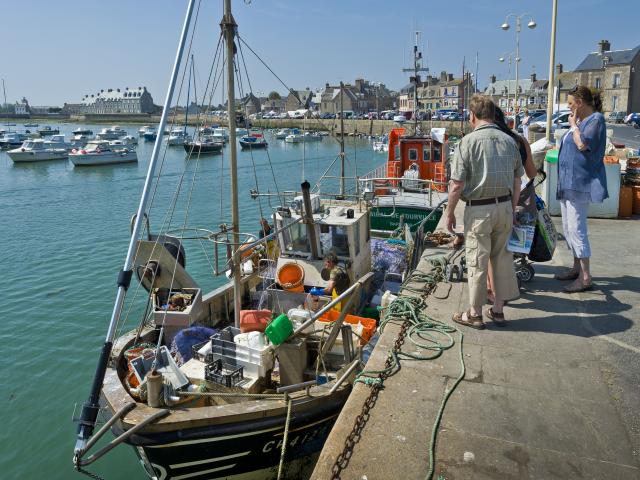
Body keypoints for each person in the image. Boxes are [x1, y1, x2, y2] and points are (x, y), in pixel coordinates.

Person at [446, 94, 523, 329]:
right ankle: (498, 311)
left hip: (479, 210)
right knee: (502, 259)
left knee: (477, 260)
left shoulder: (467, 142)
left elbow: (456, 184)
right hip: (505, 206)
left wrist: (449, 213)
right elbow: (518, 179)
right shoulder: (510, 141)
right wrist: (511, 207)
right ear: (492, 114)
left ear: (473, 116)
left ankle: (475, 314)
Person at [554, 86, 607, 293]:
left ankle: (585, 277)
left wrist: (574, 126)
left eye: (570, 103)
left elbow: (582, 145)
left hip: (580, 183)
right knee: (568, 229)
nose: (568, 107)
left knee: (577, 229)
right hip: (568, 183)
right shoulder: (581, 122)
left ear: (581, 102)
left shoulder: (595, 120)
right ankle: (576, 268)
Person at [486, 106, 537, 303]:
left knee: (494, 250)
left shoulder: (493, 142)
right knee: (513, 247)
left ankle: (494, 291)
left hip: (499, 200)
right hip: (523, 199)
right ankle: (510, 282)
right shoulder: (520, 141)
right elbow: (531, 173)